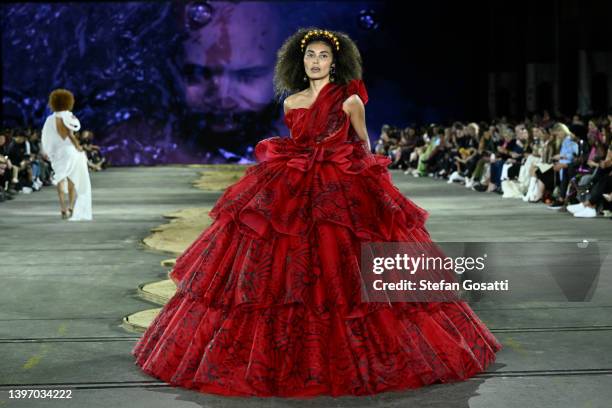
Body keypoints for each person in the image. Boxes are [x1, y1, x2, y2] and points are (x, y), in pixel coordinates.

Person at [132, 27, 502, 397]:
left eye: (323, 56)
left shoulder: (350, 101)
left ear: (335, 62)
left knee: (347, 268)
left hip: (341, 185)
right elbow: (298, 141)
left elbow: (364, 146)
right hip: (293, 183)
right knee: (280, 268)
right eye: (310, 55)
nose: (316, 62)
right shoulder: (291, 102)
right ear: (300, 60)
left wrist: (370, 188)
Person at [41, 89, 93, 220]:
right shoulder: (67, 116)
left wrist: (47, 151)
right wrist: (78, 146)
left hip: (58, 152)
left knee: (60, 178)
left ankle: (63, 208)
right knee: (71, 179)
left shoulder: (50, 119)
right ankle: (71, 206)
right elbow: (68, 135)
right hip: (69, 150)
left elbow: (46, 137)